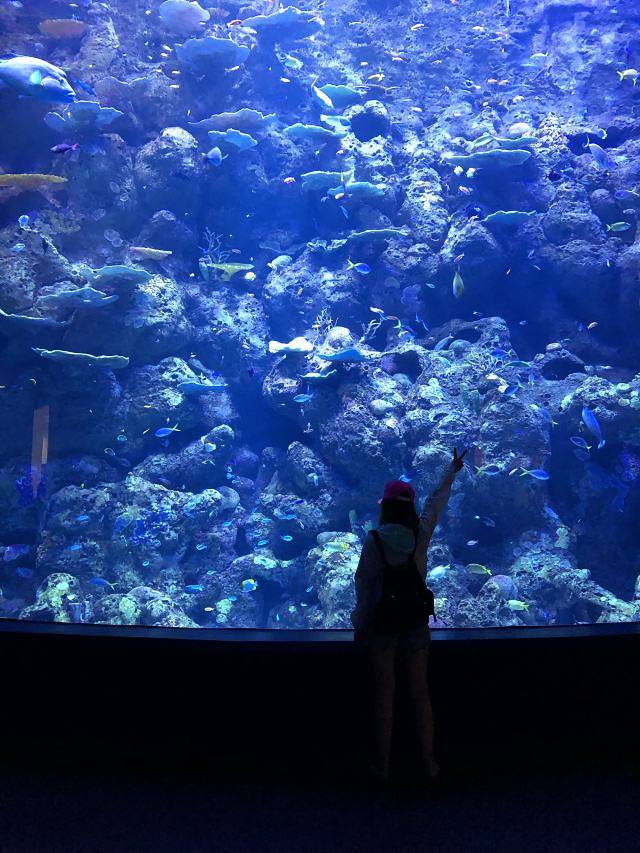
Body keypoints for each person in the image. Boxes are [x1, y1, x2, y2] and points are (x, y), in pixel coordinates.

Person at [351, 448, 467, 785]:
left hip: (383, 626)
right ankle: (430, 763)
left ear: (384, 506)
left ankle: (383, 767)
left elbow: (364, 586)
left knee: (384, 696)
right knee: (420, 694)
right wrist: (451, 472)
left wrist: (360, 625)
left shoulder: (373, 540)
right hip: (416, 624)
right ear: (409, 507)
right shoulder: (420, 533)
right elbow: (435, 505)